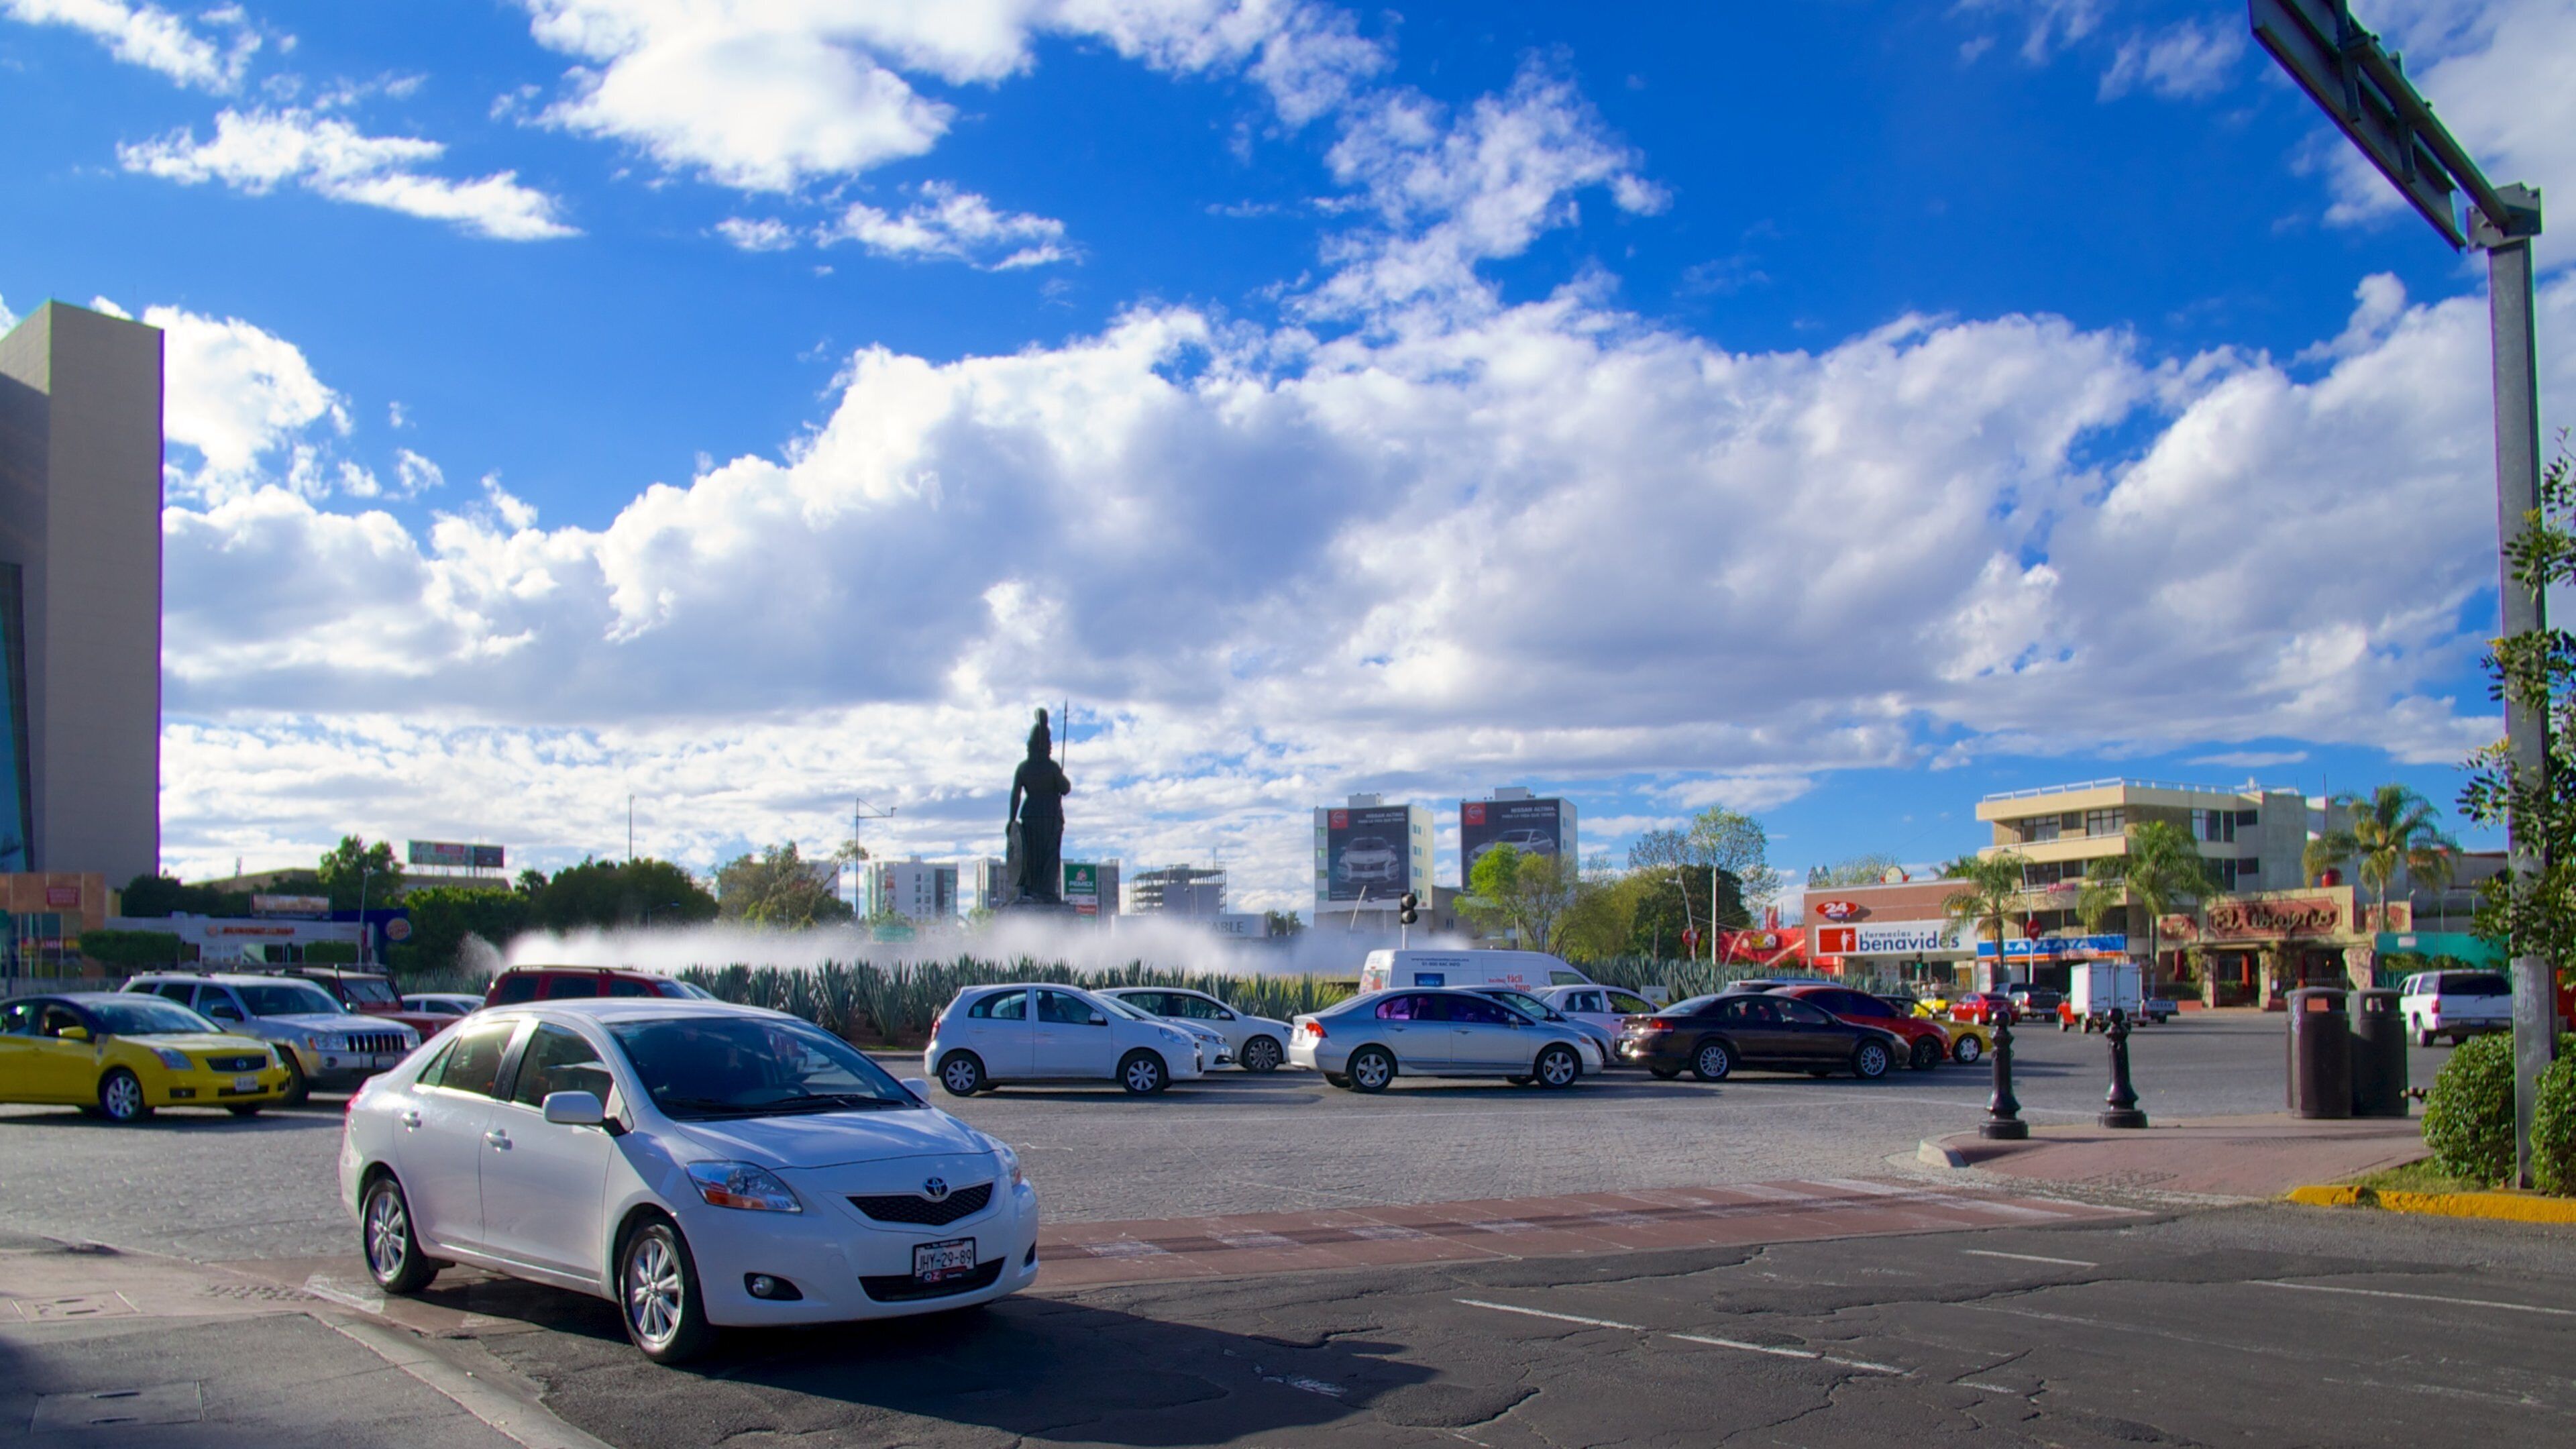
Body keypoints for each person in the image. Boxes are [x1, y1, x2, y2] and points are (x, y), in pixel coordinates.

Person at [1008, 708, 1071, 905]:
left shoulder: (1024, 768)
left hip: (1030, 815)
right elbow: (1066, 787)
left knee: (1031, 855)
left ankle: (1032, 889)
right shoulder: (1051, 767)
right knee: (1049, 854)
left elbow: (1016, 794)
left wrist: (1012, 820)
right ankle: (1046, 891)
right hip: (1051, 815)